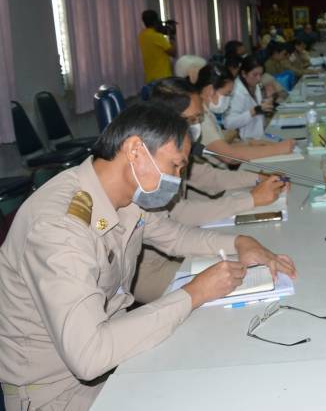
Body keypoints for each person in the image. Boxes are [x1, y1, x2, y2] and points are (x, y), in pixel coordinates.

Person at [0, 103, 296, 411]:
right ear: (135, 151)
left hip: (114, 363)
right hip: (57, 393)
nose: (178, 180)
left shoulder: (125, 195)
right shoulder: (59, 229)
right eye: (175, 166)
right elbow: (89, 356)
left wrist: (240, 241)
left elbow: (176, 236)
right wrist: (195, 293)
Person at [133, 79, 289, 303]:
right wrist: (250, 200)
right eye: (192, 120)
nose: (196, 126)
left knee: (259, 265)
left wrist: (258, 178)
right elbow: (179, 214)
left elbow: (210, 178)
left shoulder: (173, 151)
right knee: (248, 280)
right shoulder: (152, 162)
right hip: (152, 270)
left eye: (199, 118)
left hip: (178, 249)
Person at [196, 64, 294, 161]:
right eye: (226, 94)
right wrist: (278, 149)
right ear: (209, 90)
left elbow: (223, 148)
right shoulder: (200, 118)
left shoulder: (207, 112)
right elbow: (229, 156)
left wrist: (249, 144)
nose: (228, 99)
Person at [225, 56, 274, 140]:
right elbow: (229, 123)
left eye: (261, 74)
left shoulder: (255, 85)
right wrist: (254, 111)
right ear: (244, 73)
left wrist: (269, 100)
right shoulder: (236, 91)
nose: (259, 78)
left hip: (258, 134)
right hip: (245, 140)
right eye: (255, 75)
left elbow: (259, 110)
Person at [138, 9, 176, 83]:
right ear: (155, 21)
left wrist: (162, 29)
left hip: (150, 78)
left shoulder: (142, 35)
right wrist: (172, 36)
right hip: (162, 77)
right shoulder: (157, 37)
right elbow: (173, 53)